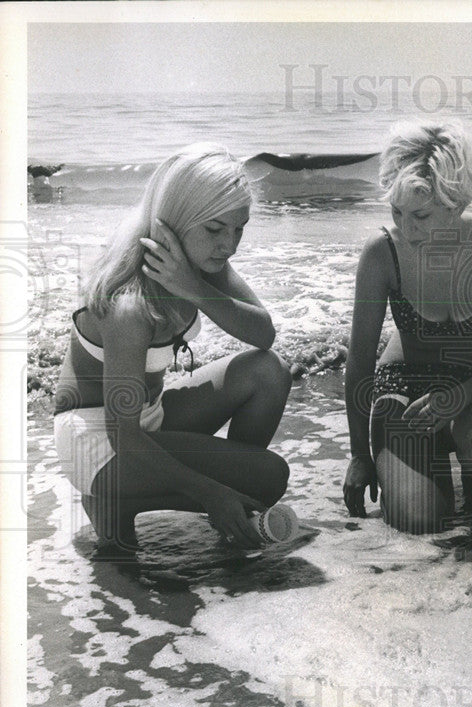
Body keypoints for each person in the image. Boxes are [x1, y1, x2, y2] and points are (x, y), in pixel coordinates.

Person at [53, 143, 292, 560]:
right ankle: (120, 499)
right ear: (177, 221)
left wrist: (195, 288)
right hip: (99, 442)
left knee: (267, 371)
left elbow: (263, 335)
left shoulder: (199, 264)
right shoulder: (130, 301)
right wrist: (212, 491)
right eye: (215, 229)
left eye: (239, 229)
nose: (229, 245)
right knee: (269, 477)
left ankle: (227, 498)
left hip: (147, 416)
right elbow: (122, 436)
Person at [342, 120, 472, 533]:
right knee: (419, 524)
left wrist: (454, 399)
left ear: (456, 202)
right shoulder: (382, 252)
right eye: (397, 212)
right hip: (403, 390)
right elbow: (358, 362)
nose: (406, 230)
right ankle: (428, 478)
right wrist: (360, 455)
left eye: (421, 216)